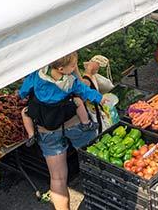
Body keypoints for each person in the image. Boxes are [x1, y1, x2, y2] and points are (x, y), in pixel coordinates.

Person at [19, 52, 103, 210]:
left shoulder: (37, 73)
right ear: (62, 67)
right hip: (74, 123)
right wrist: (88, 73)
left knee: (57, 178)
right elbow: (82, 89)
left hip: (47, 129)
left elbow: (22, 93)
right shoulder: (69, 78)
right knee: (95, 167)